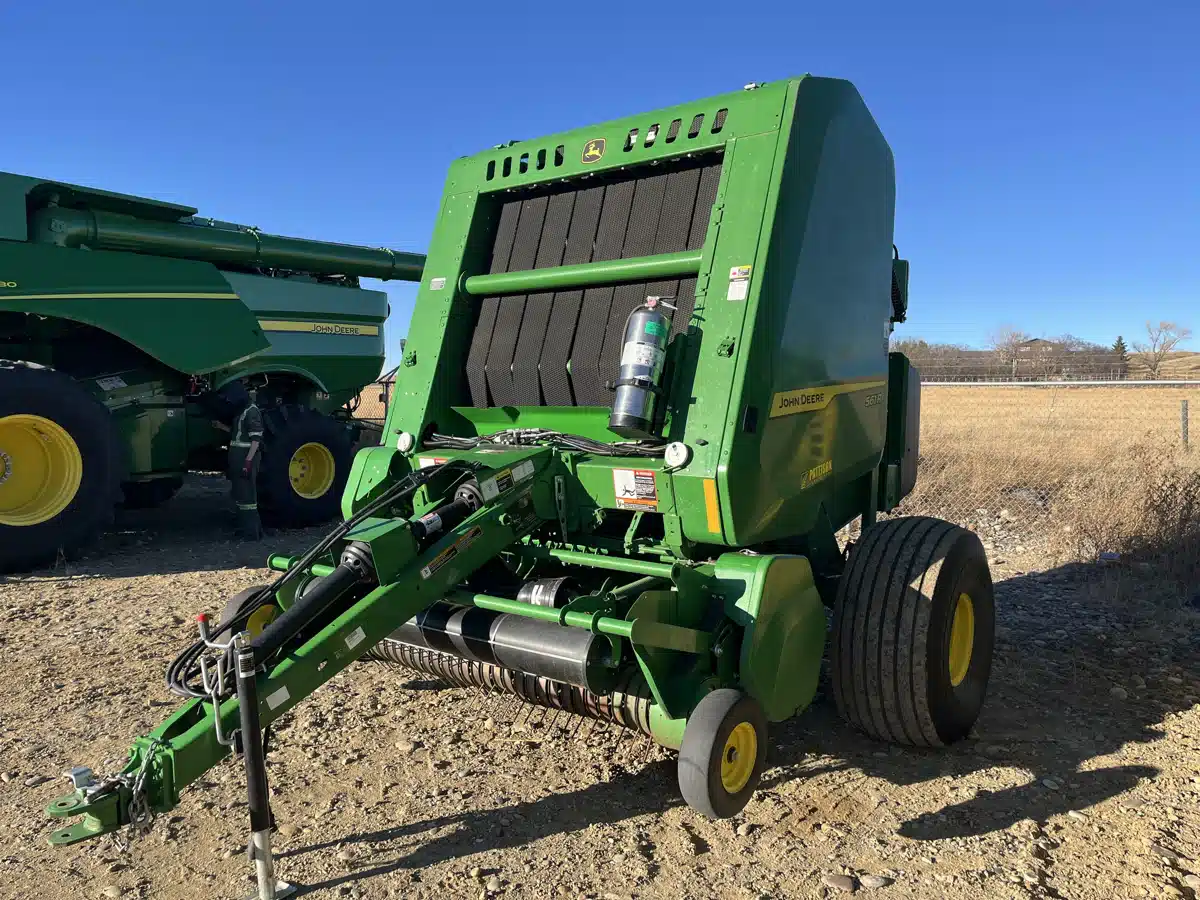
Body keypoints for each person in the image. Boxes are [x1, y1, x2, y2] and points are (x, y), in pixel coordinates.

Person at [226, 380, 265, 540]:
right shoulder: (242, 410)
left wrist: (248, 461)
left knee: (248, 496)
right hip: (238, 457)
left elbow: (256, 439)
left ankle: (252, 533)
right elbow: (239, 433)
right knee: (241, 495)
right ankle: (244, 529)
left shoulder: (252, 411)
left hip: (245, 457)